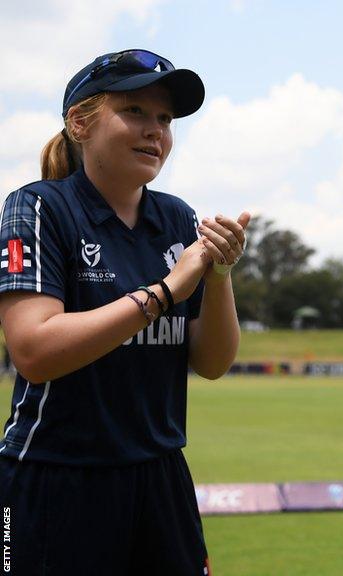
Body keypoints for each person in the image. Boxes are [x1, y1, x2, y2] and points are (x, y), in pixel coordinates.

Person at [0, 49, 249, 575]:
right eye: (134, 111)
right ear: (80, 123)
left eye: (164, 118)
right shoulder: (39, 207)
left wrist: (221, 273)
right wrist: (163, 292)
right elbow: (34, 351)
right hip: (56, 476)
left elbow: (213, 361)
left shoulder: (176, 217)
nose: (154, 131)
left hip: (160, 478)